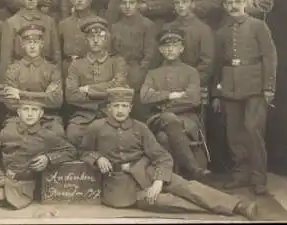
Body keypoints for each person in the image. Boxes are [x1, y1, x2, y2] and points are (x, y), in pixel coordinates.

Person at [79, 87, 258, 220]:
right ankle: (220, 208)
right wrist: (97, 158)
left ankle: (239, 206)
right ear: (108, 108)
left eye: (124, 106)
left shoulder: (140, 128)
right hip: (121, 186)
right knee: (169, 202)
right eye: (116, 106)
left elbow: (161, 157)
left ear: (130, 107)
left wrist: (158, 181)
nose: (120, 110)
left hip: (148, 171)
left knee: (187, 187)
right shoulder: (96, 128)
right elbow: (83, 151)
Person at [211, 0, 277, 195]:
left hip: (255, 86)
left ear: (246, 3)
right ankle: (241, 175)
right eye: (229, 3)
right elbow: (217, 64)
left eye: (238, 2)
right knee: (234, 134)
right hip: (230, 87)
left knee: (253, 131)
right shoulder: (221, 32)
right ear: (224, 5)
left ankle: (259, 179)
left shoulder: (258, 26)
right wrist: (216, 92)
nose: (233, 6)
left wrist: (268, 87)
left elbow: (270, 57)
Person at [140, 28, 210, 179]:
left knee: (164, 137)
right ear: (160, 50)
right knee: (168, 118)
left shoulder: (191, 72)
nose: (170, 49)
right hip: (157, 118)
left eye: (175, 45)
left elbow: (193, 99)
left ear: (181, 49)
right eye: (166, 46)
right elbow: (144, 97)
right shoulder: (153, 73)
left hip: (186, 119)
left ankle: (170, 179)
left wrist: (162, 102)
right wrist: (170, 95)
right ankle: (192, 167)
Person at [65, 16, 128, 147]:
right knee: (72, 134)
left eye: (100, 37)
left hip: (110, 112)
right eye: (91, 37)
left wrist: (88, 89)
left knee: (115, 137)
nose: (95, 40)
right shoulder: (76, 64)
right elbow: (71, 95)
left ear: (106, 39)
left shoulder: (117, 61)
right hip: (84, 114)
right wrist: (107, 90)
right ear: (86, 40)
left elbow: (119, 87)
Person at [0, 23, 63, 134]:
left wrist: (20, 93)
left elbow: (56, 101)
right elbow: (10, 102)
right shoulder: (13, 69)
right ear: (23, 45)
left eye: (36, 42)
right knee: (9, 134)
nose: (32, 46)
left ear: (42, 44)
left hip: (47, 117)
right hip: (18, 117)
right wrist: (44, 96)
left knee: (56, 133)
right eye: (29, 42)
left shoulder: (52, 69)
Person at [0, 0, 61, 84]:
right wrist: (5, 85)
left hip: (45, 74)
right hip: (19, 75)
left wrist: (57, 81)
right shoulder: (11, 22)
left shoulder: (49, 21)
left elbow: (56, 54)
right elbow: (6, 58)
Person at [111, 0, 157, 120]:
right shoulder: (115, 27)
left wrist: (140, 73)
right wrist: (119, 72)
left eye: (131, 2)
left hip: (140, 70)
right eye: (124, 3)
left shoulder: (147, 25)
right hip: (120, 71)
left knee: (139, 109)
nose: (127, 6)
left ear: (137, 4)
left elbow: (150, 54)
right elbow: (113, 52)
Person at [163, 0, 215, 90]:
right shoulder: (167, 28)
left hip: (193, 84)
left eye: (185, 2)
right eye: (177, 3)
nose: (181, 6)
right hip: (169, 82)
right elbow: (162, 58)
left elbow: (207, 62)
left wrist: (190, 82)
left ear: (193, 4)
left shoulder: (203, 29)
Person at [58, 0, 96, 78]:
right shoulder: (63, 24)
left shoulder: (97, 23)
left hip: (89, 69)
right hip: (67, 68)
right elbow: (58, 54)